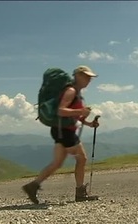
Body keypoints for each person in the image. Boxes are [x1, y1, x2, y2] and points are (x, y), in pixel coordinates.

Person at [22, 65, 100, 204]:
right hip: (64, 132)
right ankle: (80, 193)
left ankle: (32, 186)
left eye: (90, 77)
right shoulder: (70, 91)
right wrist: (81, 112)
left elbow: (73, 115)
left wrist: (88, 123)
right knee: (82, 158)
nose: (89, 80)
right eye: (86, 76)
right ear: (78, 76)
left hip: (60, 131)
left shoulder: (76, 93)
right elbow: (61, 111)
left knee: (57, 163)